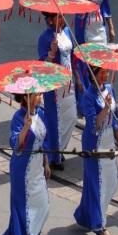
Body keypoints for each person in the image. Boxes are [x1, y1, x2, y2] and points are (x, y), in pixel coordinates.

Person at [73, 65, 118, 235]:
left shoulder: (110, 89)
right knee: (97, 184)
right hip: (94, 143)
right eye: (102, 73)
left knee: (111, 182)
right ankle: (99, 224)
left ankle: (85, 215)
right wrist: (105, 108)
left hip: (109, 141)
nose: (106, 75)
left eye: (107, 72)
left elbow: (115, 117)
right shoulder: (88, 96)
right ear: (93, 75)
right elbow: (94, 124)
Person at [0, 93, 50, 235]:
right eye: (37, 94)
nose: (41, 96)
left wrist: (46, 163)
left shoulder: (41, 113)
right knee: (23, 208)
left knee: (43, 205)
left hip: (37, 167)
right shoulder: (19, 116)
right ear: (28, 98)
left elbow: (43, 141)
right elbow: (15, 144)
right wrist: (25, 128)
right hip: (22, 169)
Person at [71, 0, 114, 112]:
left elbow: (105, 5)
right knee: (85, 66)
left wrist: (111, 27)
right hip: (85, 30)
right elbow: (78, 11)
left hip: (99, 27)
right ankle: (84, 103)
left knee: (101, 63)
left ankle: (100, 98)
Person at [37, 12, 78, 169]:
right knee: (54, 121)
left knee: (72, 117)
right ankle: (52, 155)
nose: (62, 19)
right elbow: (42, 64)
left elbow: (71, 57)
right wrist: (51, 53)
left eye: (62, 16)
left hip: (69, 83)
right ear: (50, 19)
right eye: (58, 17)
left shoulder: (66, 32)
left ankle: (58, 149)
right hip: (54, 85)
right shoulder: (45, 38)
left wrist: (78, 78)